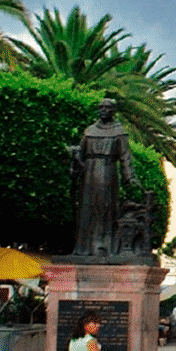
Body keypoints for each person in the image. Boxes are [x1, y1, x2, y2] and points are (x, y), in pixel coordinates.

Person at [71, 98, 139, 258]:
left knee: (105, 209)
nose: (103, 110)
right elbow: (80, 152)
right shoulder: (89, 131)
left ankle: (103, 246)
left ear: (113, 111)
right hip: (88, 173)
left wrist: (129, 176)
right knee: (86, 209)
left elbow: (125, 156)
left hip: (107, 172)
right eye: (101, 107)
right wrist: (75, 156)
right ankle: (83, 248)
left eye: (107, 108)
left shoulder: (119, 131)